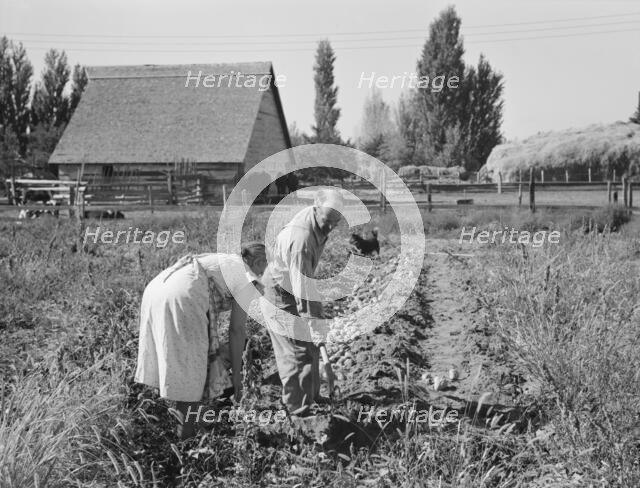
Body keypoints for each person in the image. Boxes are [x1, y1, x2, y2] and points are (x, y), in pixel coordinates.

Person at [134, 244, 267, 439]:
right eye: (263, 269)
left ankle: (192, 429)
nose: (262, 275)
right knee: (191, 375)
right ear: (257, 262)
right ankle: (185, 444)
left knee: (187, 368)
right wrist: (238, 379)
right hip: (183, 297)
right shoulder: (247, 276)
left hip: (158, 288)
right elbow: (237, 330)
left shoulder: (227, 261)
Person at [260, 188, 344, 414]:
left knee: (310, 348)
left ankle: (313, 398)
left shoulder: (317, 220)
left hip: (292, 286)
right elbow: (303, 291)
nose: (330, 228)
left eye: (335, 223)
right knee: (297, 353)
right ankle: (297, 411)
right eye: (327, 221)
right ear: (316, 207)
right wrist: (316, 326)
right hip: (279, 296)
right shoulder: (302, 240)